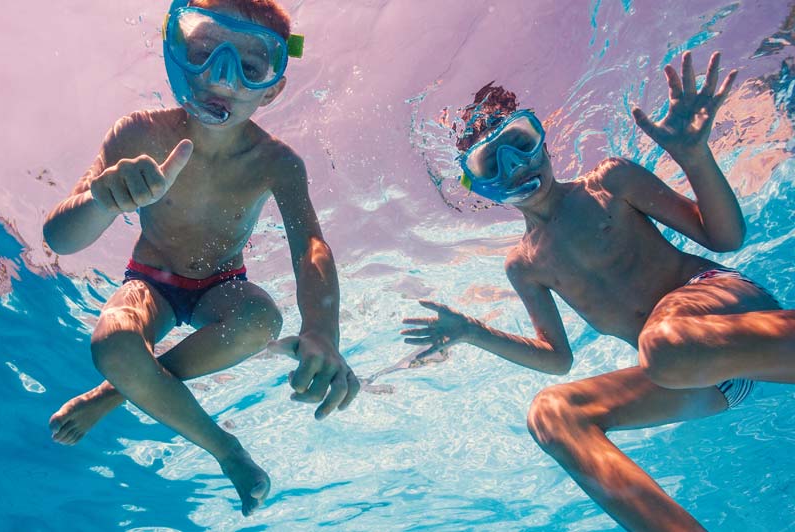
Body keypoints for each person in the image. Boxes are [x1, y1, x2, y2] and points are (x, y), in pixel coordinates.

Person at [402, 51, 795, 531]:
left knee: (664, 344)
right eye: (492, 164)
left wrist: (694, 157)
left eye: (520, 144)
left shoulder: (609, 182)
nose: (515, 166)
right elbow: (555, 358)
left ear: (544, 142)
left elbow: (725, 237)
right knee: (553, 415)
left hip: (727, 309)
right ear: (481, 187)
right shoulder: (525, 265)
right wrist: (472, 332)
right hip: (697, 377)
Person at [43, 0, 359, 517]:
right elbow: (60, 239)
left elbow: (310, 245)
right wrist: (101, 199)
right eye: (205, 52)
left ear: (272, 87)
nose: (222, 78)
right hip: (149, 282)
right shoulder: (136, 133)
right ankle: (226, 449)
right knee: (114, 344)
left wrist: (323, 327)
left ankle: (115, 394)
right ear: (175, 55)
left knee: (263, 320)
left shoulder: (278, 163)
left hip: (221, 284)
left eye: (250, 67)